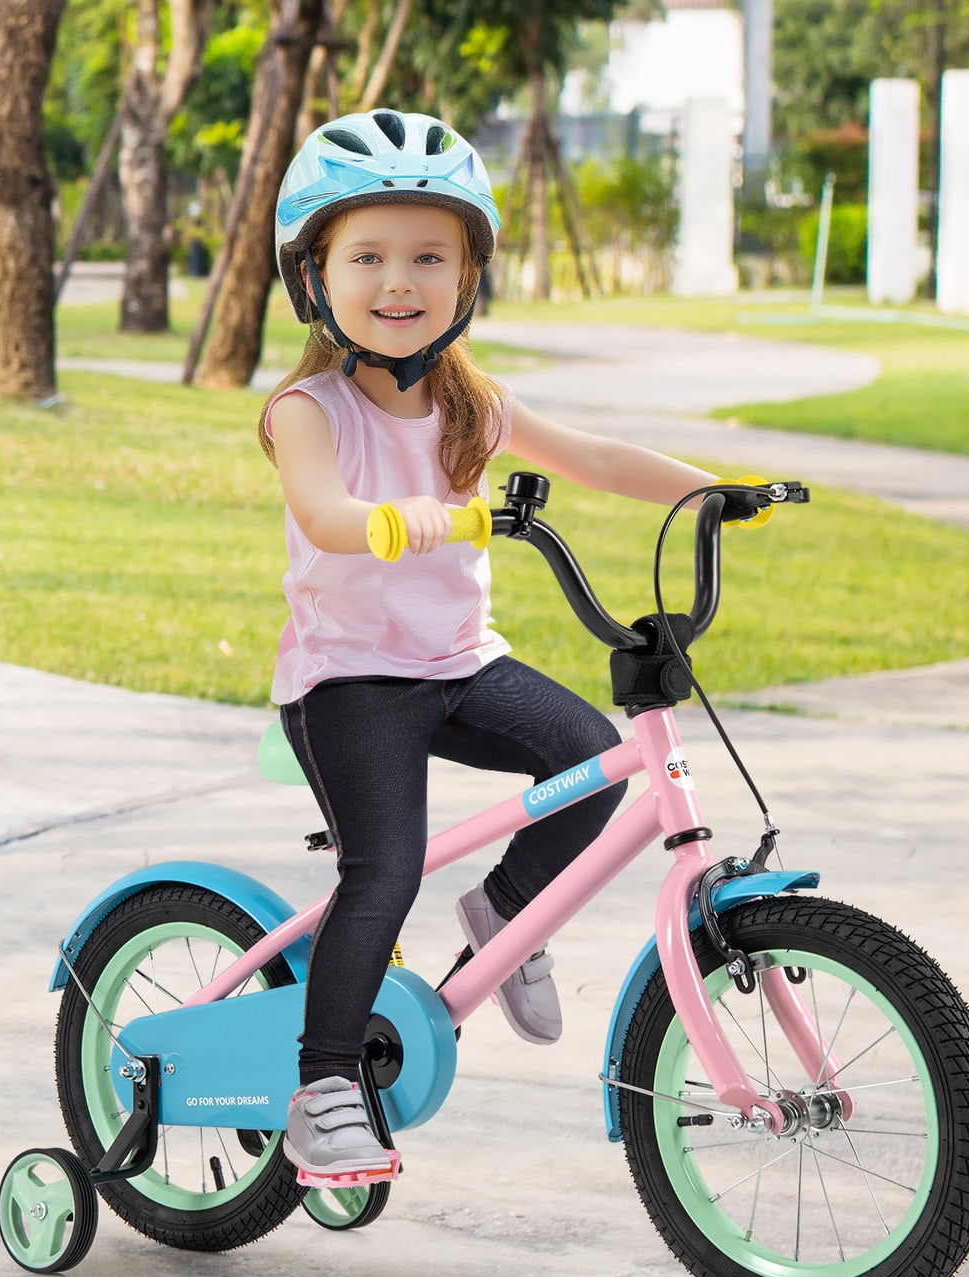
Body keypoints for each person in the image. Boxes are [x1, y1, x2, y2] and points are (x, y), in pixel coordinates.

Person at [260, 110, 724, 1182]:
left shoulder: (472, 401)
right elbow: (327, 514)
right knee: (384, 869)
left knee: (590, 761)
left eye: (429, 255)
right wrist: (403, 516)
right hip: (350, 678)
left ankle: (506, 909)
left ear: (467, 276)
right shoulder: (307, 408)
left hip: (460, 663)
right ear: (314, 274)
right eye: (366, 255)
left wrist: (712, 488)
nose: (397, 280)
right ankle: (324, 1084)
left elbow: (599, 458)